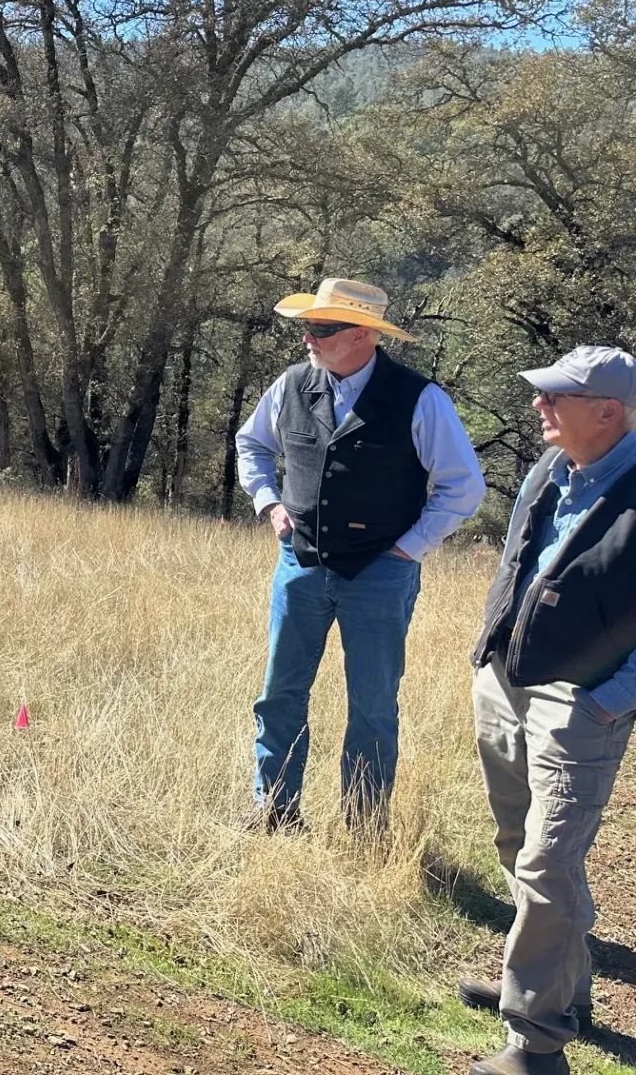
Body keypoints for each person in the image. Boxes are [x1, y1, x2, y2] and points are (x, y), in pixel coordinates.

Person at [235, 278, 484, 829]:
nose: (308, 337)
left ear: (363, 335)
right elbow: (251, 444)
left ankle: (365, 826)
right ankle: (273, 811)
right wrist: (269, 503)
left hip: (381, 575)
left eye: (322, 328)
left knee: (372, 704)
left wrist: (408, 548)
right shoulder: (291, 385)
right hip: (299, 564)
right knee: (280, 692)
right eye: (308, 325)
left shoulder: (421, 399)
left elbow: (463, 487)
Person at [458, 346, 636, 1075]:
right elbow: (520, 566)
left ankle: (536, 1044)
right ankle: (562, 990)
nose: (539, 406)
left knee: (547, 862)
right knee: (516, 845)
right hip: (508, 682)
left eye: (556, 397)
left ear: (608, 413)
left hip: (580, 706)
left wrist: (606, 703)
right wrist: (489, 660)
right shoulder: (550, 468)